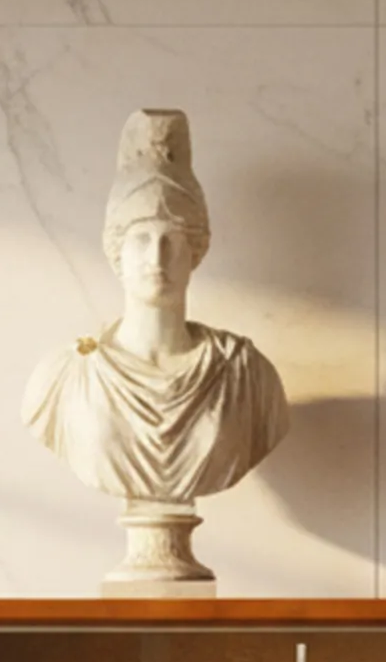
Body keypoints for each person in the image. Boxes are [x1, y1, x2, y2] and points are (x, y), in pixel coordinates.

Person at [22, 109, 289, 507]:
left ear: (196, 250)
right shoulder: (66, 377)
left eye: (173, 239)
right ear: (117, 250)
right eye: (141, 238)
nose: (157, 256)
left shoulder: (246, 374)